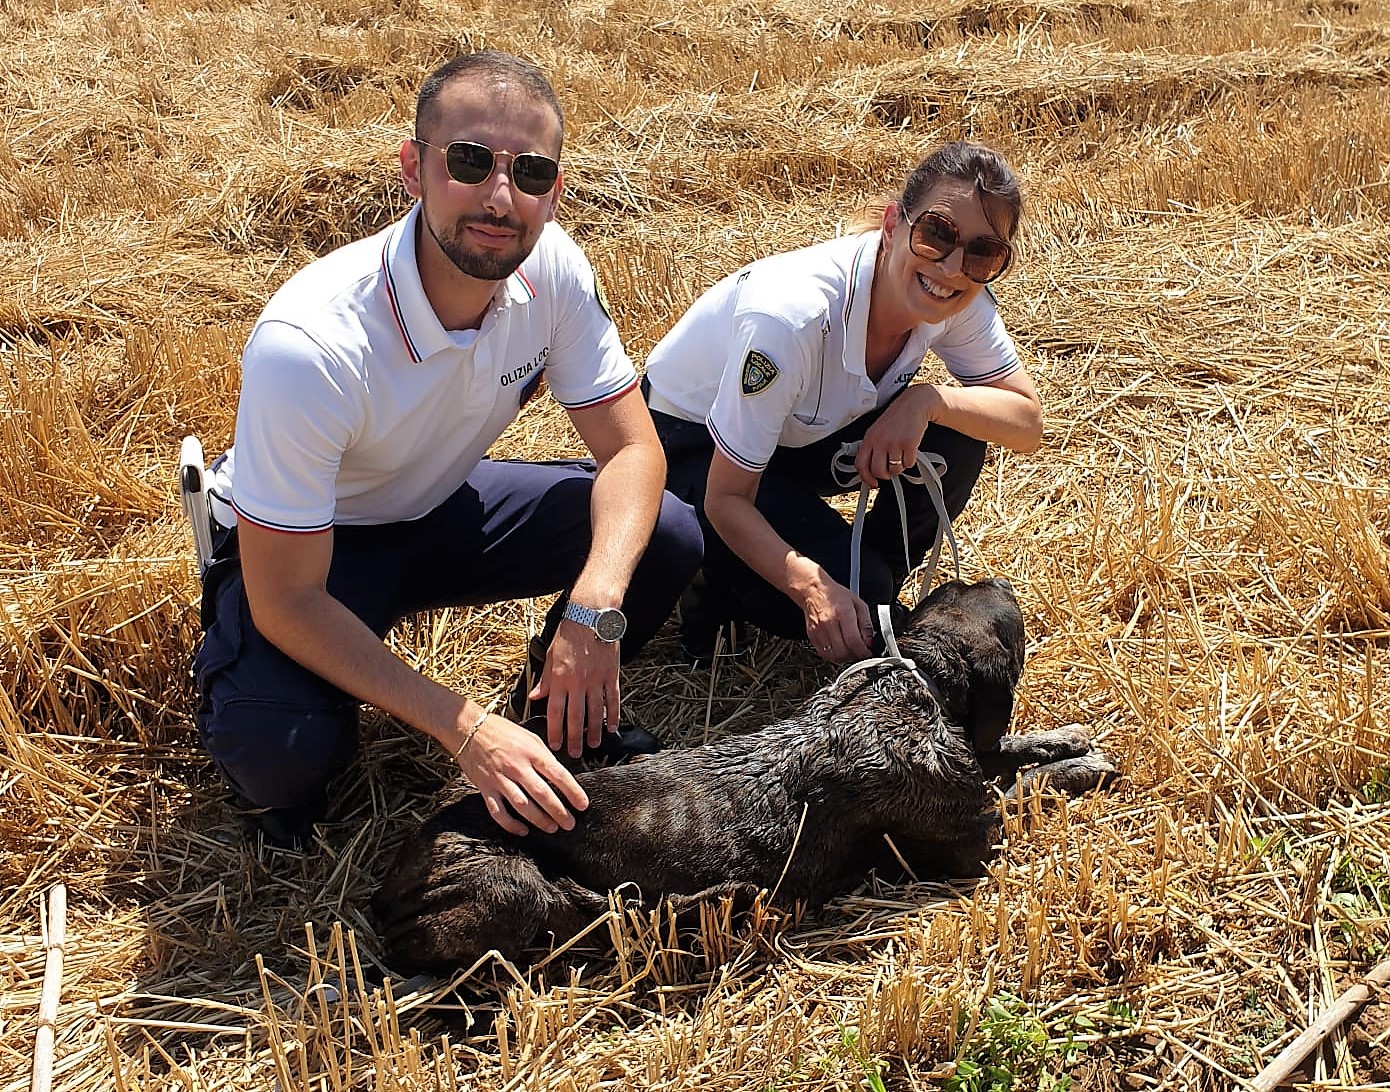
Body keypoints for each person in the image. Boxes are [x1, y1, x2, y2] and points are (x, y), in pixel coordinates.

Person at [193, 51, 702, 848]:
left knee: (664, 533)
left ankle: (555, 710)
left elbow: (634, 449)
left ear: (556, 190)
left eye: (532, 173)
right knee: (280, 761)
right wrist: (463, 729)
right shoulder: (312, 342)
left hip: (441, 504)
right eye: (471, 162)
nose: (502, 197)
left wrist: (593, 609)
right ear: (413, 168)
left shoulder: (555, 269)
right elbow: (287, 599)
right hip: (320, 543)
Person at [644, 141, 1040, 666]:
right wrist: (811, 587)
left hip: (796, 434)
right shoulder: (793, 319)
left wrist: (926, 400)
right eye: (936, 233)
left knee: (960, 436)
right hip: (691, 445)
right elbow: (727, 498)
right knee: (848, 592)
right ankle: (711, 574)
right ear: (894, 223)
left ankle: (866, 586)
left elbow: (1026, 422)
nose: (951, 266)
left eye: (983, 251)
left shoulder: (958, 294)